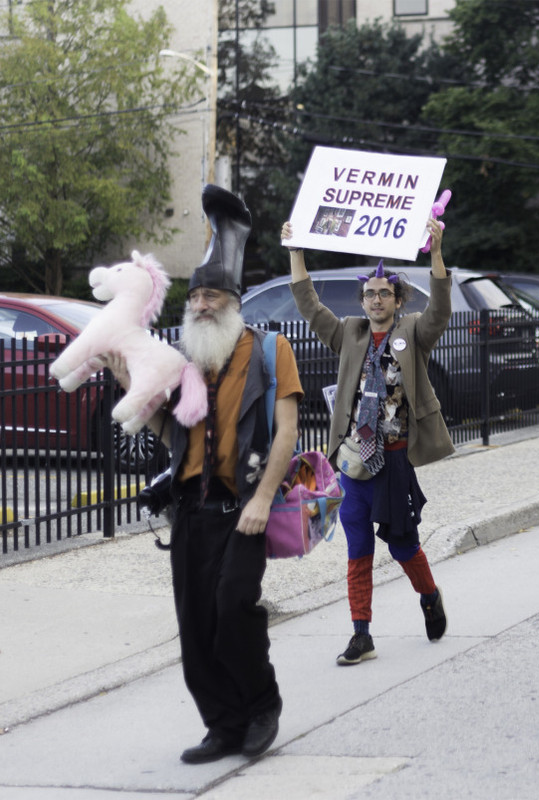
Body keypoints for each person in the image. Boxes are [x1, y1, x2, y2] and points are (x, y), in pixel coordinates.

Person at [118, 185, 302, 763]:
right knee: (195, 629)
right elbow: (172, 437)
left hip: (243, 510)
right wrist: (128, 384)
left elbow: (288, 432)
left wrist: (263, 499)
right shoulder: (184, 364)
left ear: (233, 300)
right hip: (191, 512)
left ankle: (261, 705)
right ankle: (222, 725)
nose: (199, 304)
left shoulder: (270, 351)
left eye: (211, 295)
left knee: (231, 610)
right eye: (194, 295)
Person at [282, 218, 454, 666]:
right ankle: (362, 634)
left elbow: (439, 312)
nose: (376, 300)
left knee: (403, 546)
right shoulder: (350, 333)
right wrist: (296, 251)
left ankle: (430, 596)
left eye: (384, 293)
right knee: (358, 549)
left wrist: (435, 252)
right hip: (354, 464)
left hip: (395, 462)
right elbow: (310, 306)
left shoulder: (412, 332)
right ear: (362, 301)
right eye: (369, 294)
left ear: (397, 300)